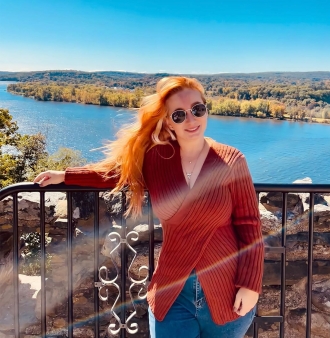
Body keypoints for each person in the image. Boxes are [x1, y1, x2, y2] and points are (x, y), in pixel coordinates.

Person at [34, 76, 264, 338]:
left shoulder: (231, 161)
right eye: (179, 115)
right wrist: (66, 175)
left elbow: (249, 225)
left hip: (228, 291)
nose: (191, 120)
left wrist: (250, 284)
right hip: (173, 291)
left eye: (198, 109)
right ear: (167, 121)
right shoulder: (157, 158)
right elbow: (116, 174)